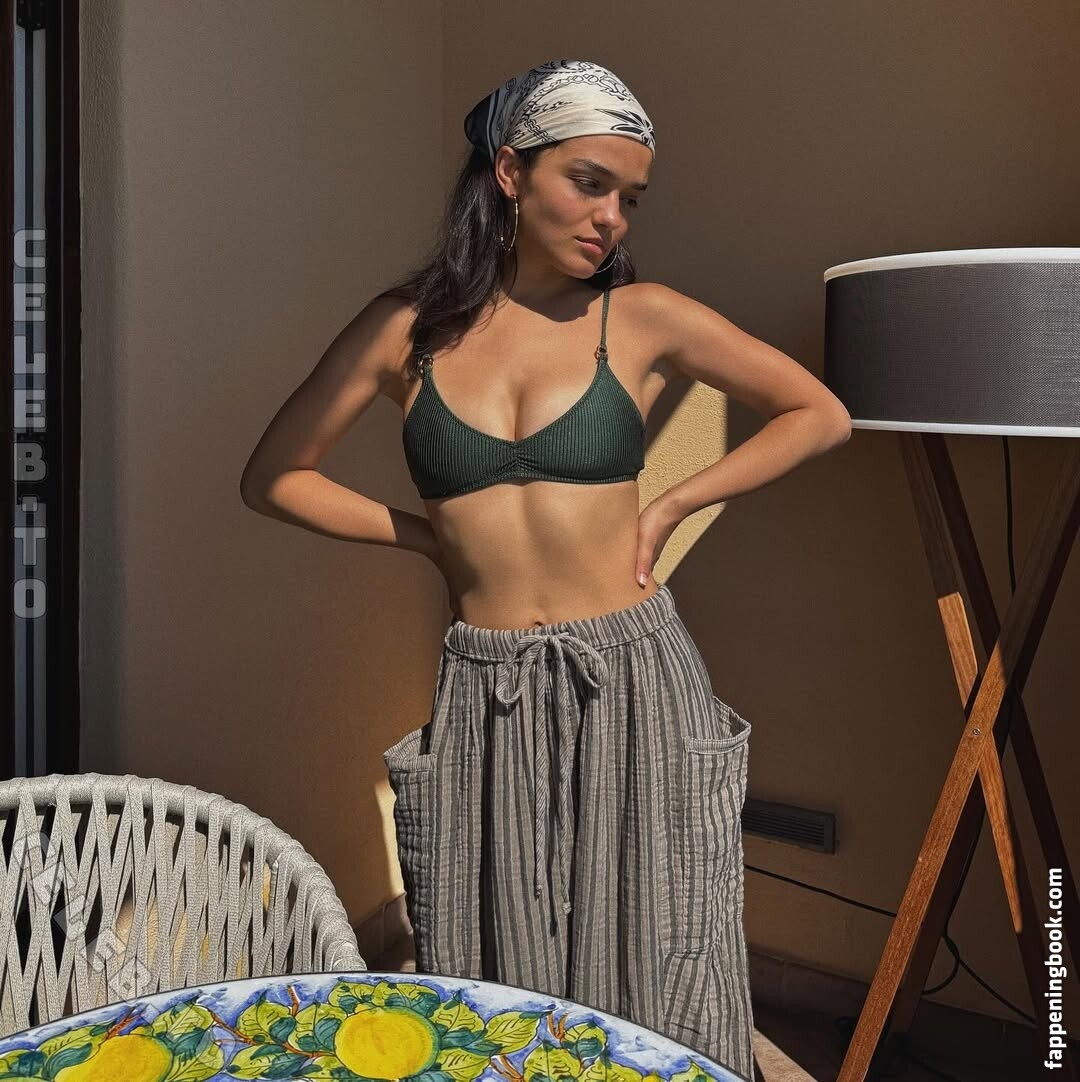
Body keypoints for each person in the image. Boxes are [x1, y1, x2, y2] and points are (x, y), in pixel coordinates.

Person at [240, 59, 851, 1082]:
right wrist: (425, 537)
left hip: (634, 672)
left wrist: (674, 500)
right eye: (590, 182)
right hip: (488, 686)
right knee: (493, 946)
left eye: (630, 197)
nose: (612, 216)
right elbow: (275, 477)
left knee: (663, 940)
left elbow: (817, 413)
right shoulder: (405, 331)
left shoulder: (642, 315)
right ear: (510, 173)